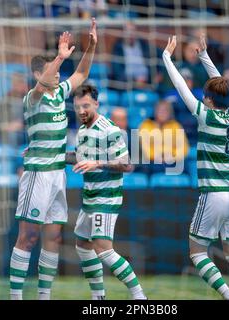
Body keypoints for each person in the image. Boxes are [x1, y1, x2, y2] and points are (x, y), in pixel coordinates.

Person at [9, 18, 97, 300]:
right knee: (28, 236)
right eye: (50, 71)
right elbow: (45, 81)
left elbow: (81, 74)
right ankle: (16, 296)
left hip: (58, 174)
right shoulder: (31, 99)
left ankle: (44, 296)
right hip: (37, 174)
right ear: (38, 74)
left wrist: (91, 47)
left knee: (55, 237)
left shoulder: (60, 93)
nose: (57, 75)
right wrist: (59, 56)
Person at [163, 34, 229, 300]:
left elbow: (182, 88)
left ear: (211, 100)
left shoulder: (206, 116)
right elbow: (223, 86)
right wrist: (204, 57)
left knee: (197, 252)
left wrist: (166, 58)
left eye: (206, 95)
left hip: (214, 194)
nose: (203, 98)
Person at [66, 84, 147, 300]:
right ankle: (98, 297)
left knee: (103, 249)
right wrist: (46, 153)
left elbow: (127, 164)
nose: (81, 111)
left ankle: (139, 296)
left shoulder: (110, 130)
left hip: (106, 197)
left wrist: (98, 163)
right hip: (89, 197)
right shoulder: (83, 131)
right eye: (77, 107)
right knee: (83, 245)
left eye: (86, 106)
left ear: (96, 104)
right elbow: (79, 158)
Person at [139, 100, 189, 173]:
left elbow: (183, 148)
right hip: (152, 161)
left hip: (172, 160)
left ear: (170, 113)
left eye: (166, 111)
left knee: (185, 166)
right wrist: (157, 157)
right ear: (155, 111)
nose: (163, 113)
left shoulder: (176, 126)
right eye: (160, 110)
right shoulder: (146, 125)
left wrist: (172, 157)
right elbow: (144, 148)